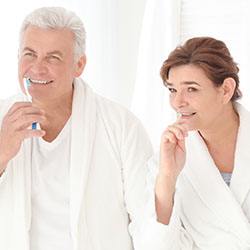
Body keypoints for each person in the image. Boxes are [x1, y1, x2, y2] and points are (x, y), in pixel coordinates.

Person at [0, 7, 153, 250]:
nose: (37, 68)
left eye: (53, 57)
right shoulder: (2, 118)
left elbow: (148, 222)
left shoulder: (121, 126)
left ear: (78, 65)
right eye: (30, 54)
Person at [132, 37, 250, 249]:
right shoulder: (165, 162)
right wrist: (167, 178)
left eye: (192, 89)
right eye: (172, 90)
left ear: (226, 90)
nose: (178, 102)